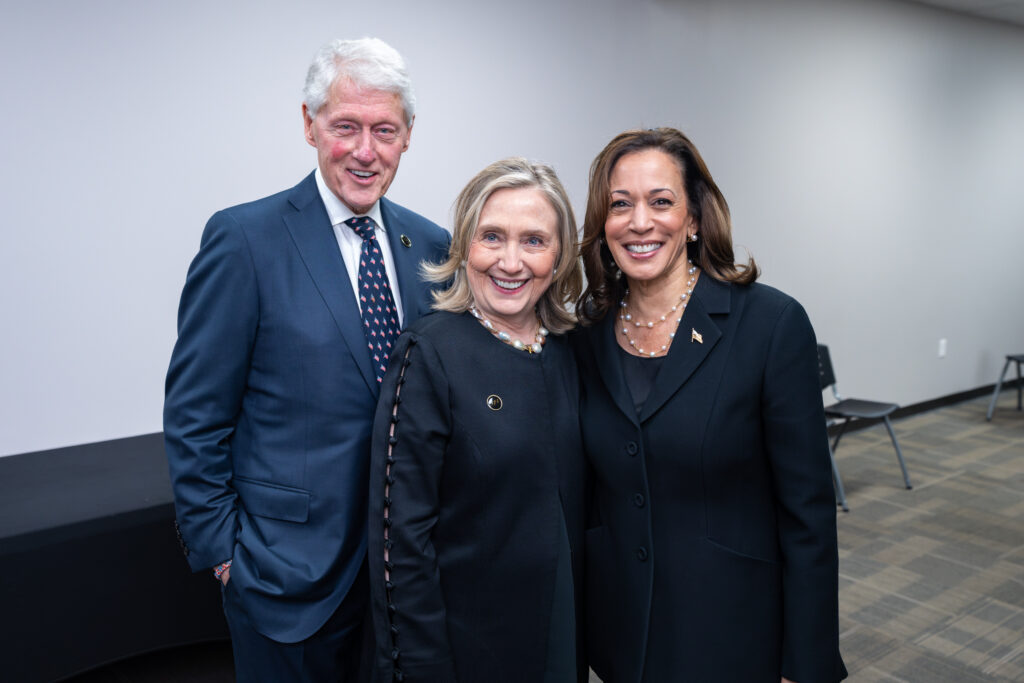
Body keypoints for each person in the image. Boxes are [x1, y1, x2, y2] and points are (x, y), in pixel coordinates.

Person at [163, 38, 449, 681]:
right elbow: (195, 414)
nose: (365, 151)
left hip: (402, 580)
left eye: (385, 130)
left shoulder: (432, 246)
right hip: (282, 577)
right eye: (346, 127)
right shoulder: (244, 240)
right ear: (310, 125)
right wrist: (224, 555)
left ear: (408, 137)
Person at [573, 128, 847, 683]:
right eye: (620, 204)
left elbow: (808, 512)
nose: (640, 222)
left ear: (695, 219)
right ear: (603, 224)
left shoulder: (770, 324)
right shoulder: (586, 335)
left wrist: (806, 662)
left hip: (733, 632)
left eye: (661, 201)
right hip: (624, 635)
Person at [366, 158, 587, 683]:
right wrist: (421, 666)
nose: (510, 262)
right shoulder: (429, 354)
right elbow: (400, 540)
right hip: (467, 649)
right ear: (465, 246)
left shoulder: (571, 351)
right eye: (493, 237)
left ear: (558, 258)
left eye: (534, 241)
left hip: (558, 630)